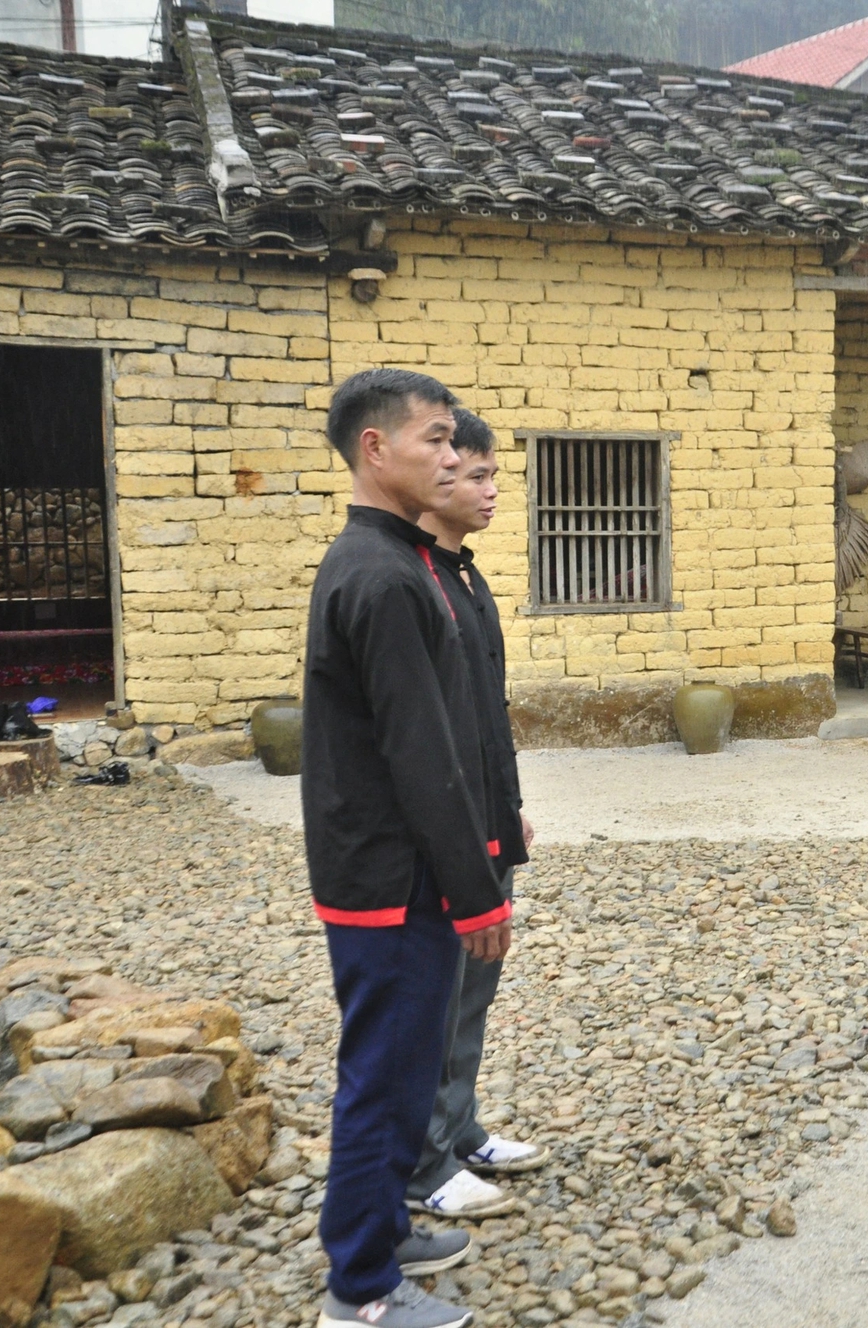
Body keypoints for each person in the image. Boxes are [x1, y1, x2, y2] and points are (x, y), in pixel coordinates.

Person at [304, 369, 513, 1328]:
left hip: (406, 869)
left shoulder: (411, 563)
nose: (450, 455)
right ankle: (361, 1290)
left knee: (400, 1062)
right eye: (434, 439)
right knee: (385, 1078)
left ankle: (380, 1224)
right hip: (389, 880)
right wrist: (476, 893)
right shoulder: (382, 575)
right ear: (376, 451)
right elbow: (420, 753)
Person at [405, 410, 550, 1219]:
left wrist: (510, 807)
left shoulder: (466, 575)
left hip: (486, 815)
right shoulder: (409, 580)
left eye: (494, 475)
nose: (492, 491)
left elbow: (483, 716)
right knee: (434, 993)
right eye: (476, 475)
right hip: (443, 834)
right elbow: (425, 739)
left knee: (473, 992)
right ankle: (424, 1162)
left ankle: (459, 1130)